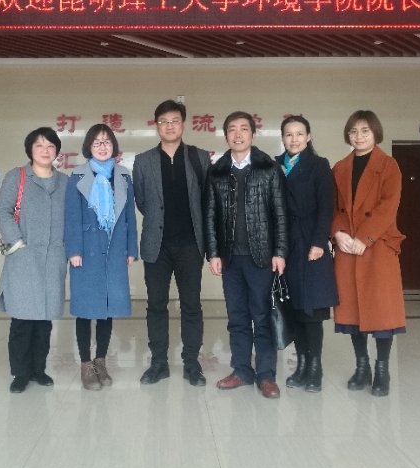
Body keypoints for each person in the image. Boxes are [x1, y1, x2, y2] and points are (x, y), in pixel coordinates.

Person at [204, 111, 288, 399]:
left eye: (243, 129)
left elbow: (280, 214)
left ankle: (266, 375)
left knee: (262, 316)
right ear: (226, 135)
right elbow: (210, 216)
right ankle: (241, 370)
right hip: (230, 258)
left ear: (253, 134)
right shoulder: (217, 171)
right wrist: (213, 253)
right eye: (232, 129)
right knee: (237, 317)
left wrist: (280, 251)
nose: (238, 134)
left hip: (261, 256)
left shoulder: (269, 168)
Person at [133, 100, 210, 387]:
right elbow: (142, 202)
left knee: (191, 305)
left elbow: (207, 200)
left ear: (183, 124)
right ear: (156, 126)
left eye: (174, 120)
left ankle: (192, 363)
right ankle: (159, 363)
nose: (169, 126)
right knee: (156, 305)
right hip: (157, 245)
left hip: (191, 245)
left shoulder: (199, 157)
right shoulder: (143, 161)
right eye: (163, 121)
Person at [331, 110, 406, 397]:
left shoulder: (388, 166)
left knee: (382, 310)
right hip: (348, 247)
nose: (358, 136)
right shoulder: (340, 168)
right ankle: (361, 366)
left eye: (364, 131)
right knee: (352, 310)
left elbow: (389, 206)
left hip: (378, 246)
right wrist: (338, 233)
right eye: (353, 131)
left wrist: (366, 237)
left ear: (375, 133)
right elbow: (333, 207)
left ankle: (382, 369)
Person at [64, 123, 138, 390]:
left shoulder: (124, 176)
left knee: (108, 310)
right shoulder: (77, 176)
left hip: (114, 249)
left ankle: (101, 361)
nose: (103, 146)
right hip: (86, 252)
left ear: (114, 146)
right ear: (89, 147)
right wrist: (73, 250)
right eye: (97, 142)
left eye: (107, 142)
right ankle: (86, 364)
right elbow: (71, 217)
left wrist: (131, 249)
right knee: (86, 311)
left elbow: (129, 216)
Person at [0, 127, 68, 393]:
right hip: (24, 257)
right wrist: (17, 242)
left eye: (50, 146)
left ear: (57, 151)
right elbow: (2, 212)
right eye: (39, 145)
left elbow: (72, 218)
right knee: (23, 319)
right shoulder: (17, 176)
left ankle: (39, 369)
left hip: (53, 258)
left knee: (44, 320)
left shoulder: (65, 182)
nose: (45, 151)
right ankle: (20, 372)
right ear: (30, 150)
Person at [275, 115, 339, 393]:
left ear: (309, 136)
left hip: (310, 245)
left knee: (311, 310)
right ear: (283, 138)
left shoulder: (319, 165)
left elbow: (326, 207)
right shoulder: (275, 165)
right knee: (294, 309)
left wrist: (318, 242)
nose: (294, 139)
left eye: (299, 134)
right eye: (289, 134)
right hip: (285, 246)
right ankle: (301, 365)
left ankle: (315, 368)